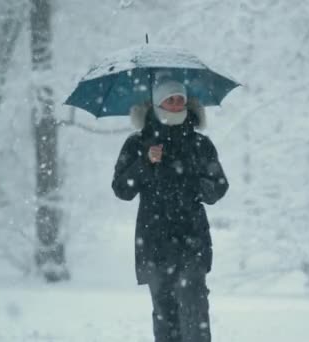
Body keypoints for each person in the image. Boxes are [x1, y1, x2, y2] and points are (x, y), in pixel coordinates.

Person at [111, 71, 228, 342]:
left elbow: (218, 187)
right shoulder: (137, 143)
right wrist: (144, 163)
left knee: (195, 308)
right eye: (170, 99)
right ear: (156, 103)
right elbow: (122, 189)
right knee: (164, 313)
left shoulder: (200, 144)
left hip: (192, 240)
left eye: (180, 99)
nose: (176, 104)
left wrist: (192, 176)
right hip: (154, 242)